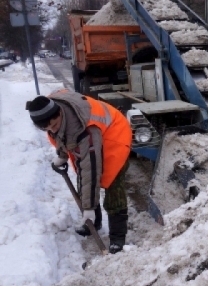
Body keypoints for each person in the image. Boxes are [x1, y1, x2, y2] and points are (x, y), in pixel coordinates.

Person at [27, 90, 132, 253]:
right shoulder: (49, 109)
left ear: (60, 112)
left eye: (54, 125)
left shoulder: (84, 128)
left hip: (114, 135)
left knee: (112, 184)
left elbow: (90, 169)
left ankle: (118, 238)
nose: (53, 131)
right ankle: (94, 223)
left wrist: (87, 207)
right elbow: (61, 135)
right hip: (93, 133)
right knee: (83, 180)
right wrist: (62, 155)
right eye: (48, 129)